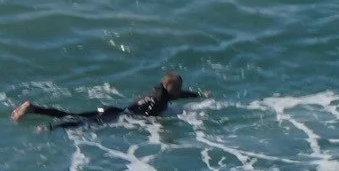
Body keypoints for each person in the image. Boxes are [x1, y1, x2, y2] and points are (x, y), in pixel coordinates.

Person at [13, 71, 202, 129]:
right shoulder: (160, 100)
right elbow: (149, 117)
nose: (180, 91)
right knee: (82, 123)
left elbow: (180, 95)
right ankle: (50, 127)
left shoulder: (160, 90)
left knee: (73, 115)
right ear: (168, 87)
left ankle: (33, 109)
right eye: (177, 87)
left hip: (115, 110)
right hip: (118, 116)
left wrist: (199, 96)